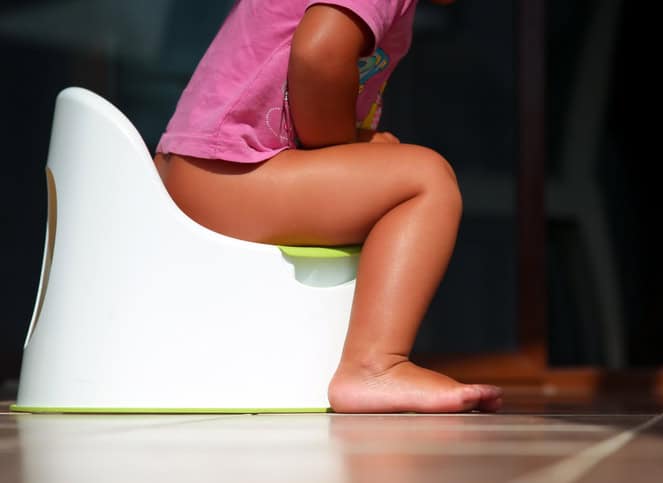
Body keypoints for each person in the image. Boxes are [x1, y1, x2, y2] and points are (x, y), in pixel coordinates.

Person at [153, 0, 503, 413]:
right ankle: (375, 364)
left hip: (205, 170)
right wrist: (345, 147)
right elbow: (319, 55)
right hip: (225, 173)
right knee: (425, 181)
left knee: (397, 175)